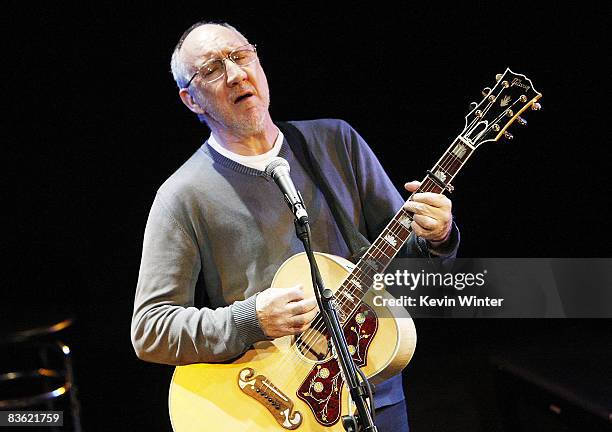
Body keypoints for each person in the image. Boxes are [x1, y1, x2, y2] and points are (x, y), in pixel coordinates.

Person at [131, 21, 459, 431]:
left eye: (240, 56)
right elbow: (150, 330)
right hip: (271, 405)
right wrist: (250, 319)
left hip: (375, 395)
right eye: (213, 68)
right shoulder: (182, 195)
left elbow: (411, 266)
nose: (235, 73)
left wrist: (437, 237)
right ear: (192, 99)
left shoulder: (336, 141)